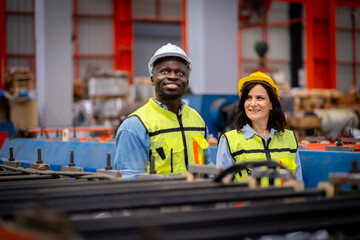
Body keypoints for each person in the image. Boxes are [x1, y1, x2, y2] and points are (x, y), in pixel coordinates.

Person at [113, 43, 209, 179]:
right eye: (164, 71)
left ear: (187, 81)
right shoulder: (135, 126)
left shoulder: (197, 121)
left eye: (180, 73)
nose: (173, 76)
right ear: (152, 79)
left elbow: (207, 168)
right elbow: (130, 181)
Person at [216, 71, 302, 184]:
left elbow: (297, 182)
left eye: (259, 98)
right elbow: (221, 186)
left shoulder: (289, 138)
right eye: (248, 98)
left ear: (271, 104)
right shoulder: (229, 141)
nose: (253, 103)